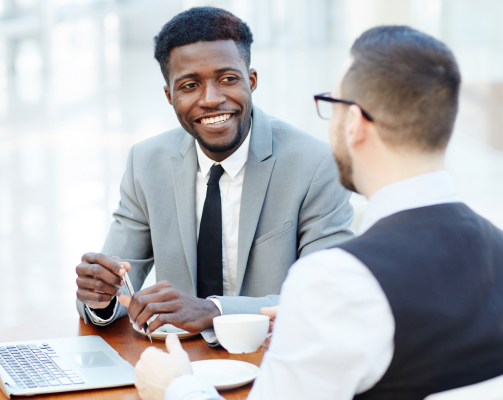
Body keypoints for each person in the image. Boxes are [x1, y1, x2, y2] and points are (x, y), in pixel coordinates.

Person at [134, 25, 503, 400]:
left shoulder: (334, 281)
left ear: (355, 124)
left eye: (334, 105)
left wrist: (175, 387)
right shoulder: (500, 247)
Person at [74, 6, 354, 339]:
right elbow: (120, 287)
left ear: (251, 81)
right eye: (190, 85)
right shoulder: (146, 162)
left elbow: (327, 296)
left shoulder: (315, 163)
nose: (211, 99)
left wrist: (214, 312)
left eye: (227, 79)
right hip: (178, 364)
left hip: (273, 357)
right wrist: (102, 297)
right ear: (170, 96)